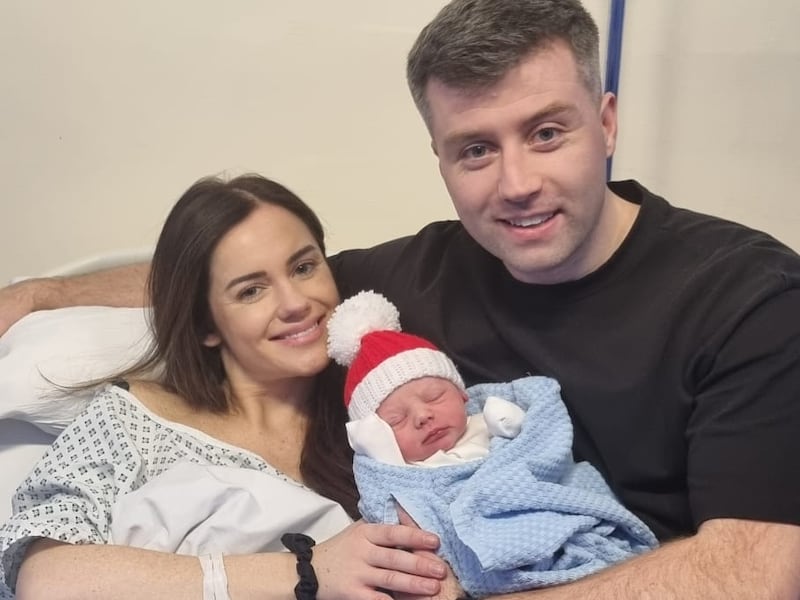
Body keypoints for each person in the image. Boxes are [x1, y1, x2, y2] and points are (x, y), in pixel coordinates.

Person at [1, 0, 800, 596]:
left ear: (607, 122)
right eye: (475, 150)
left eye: (547, 132)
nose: (517, 184)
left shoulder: (746, 299)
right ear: (440, 158)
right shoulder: (416, 274)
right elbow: (230, 274)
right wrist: (49, 293)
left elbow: (759, 570)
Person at [0, 174, 450, 600]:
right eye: (251, 291)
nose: (296, 303)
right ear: (205, 323)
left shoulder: (385, 411)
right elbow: (43, 579)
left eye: (304, 266)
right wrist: (308, 570)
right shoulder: (130, 422)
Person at [326, 290, 657, 597]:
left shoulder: (492, 419)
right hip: (486, 564)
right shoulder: (405, 474)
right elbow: (390, 517)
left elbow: (545, 449)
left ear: (461, 393)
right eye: (396, 420)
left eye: (434, 396)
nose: (423, 416)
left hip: (545, 514)